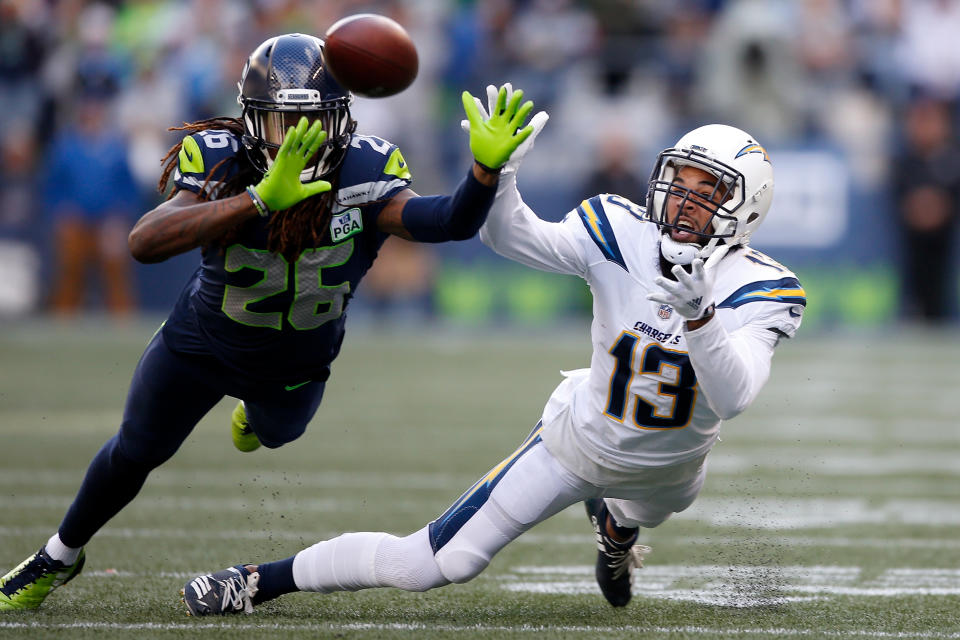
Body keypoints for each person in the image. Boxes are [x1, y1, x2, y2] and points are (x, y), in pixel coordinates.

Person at [177, 84, 806, 615]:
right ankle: (256, 580)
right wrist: (498, 176)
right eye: (679, 183)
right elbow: (513, 239)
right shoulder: (623, 230)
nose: (683, 202)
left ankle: (616, 531)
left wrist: (699, 317)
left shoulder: (762, 287)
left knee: (635, 510)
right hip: (575, 444)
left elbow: (735, 395)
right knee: (431, 563)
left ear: (743, 208)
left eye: (706, 191)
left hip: (672, 469)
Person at [0, 36, 536, 611]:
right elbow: (144, 241)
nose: (297, 140)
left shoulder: (365, 168)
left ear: (344, 121)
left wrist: (483, 173)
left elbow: (448, 222)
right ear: (251, 121)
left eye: (314, 123)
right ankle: (59, 555)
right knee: (135, 449)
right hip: (200, 343)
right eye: (281, 122)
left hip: (296, 364)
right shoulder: (221, 158)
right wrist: (257, 199)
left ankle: (254, 413)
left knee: (277, 432)